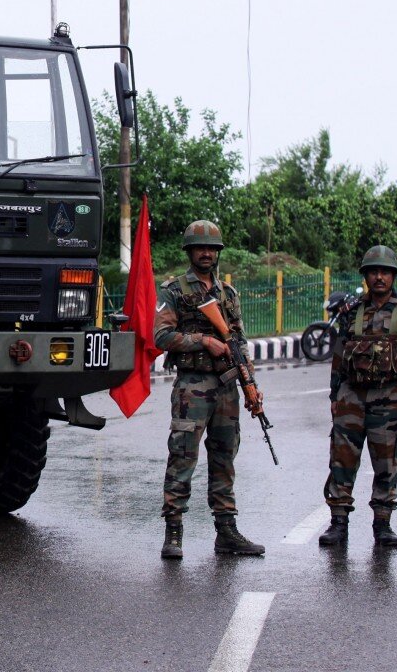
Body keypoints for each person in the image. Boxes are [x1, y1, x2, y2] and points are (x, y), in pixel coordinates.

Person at [154, 220, 266, 560]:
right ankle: (173, 532)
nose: (206, 253)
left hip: (227, 387)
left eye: (212, 248)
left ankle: (227, 532)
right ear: (190, 251)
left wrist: (251, 386)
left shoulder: (228, 294)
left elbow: (239, 341)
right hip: (193, 385)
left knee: (224, 458)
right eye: (200, 248)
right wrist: (203, 341)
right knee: (183, 455)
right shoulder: (174, 290)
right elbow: (161, 337)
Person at [318, 245, 397, 548]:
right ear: (365, 275)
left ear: (393, 276)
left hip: (389, 398)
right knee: (341, 460)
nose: (379, 277)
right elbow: (339, 356)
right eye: (373, 272)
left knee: (386, 463)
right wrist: (334, 395)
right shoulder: (351, 311)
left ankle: (383, 525)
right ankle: (338, 524)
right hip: (351, 397)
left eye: (385, 272)